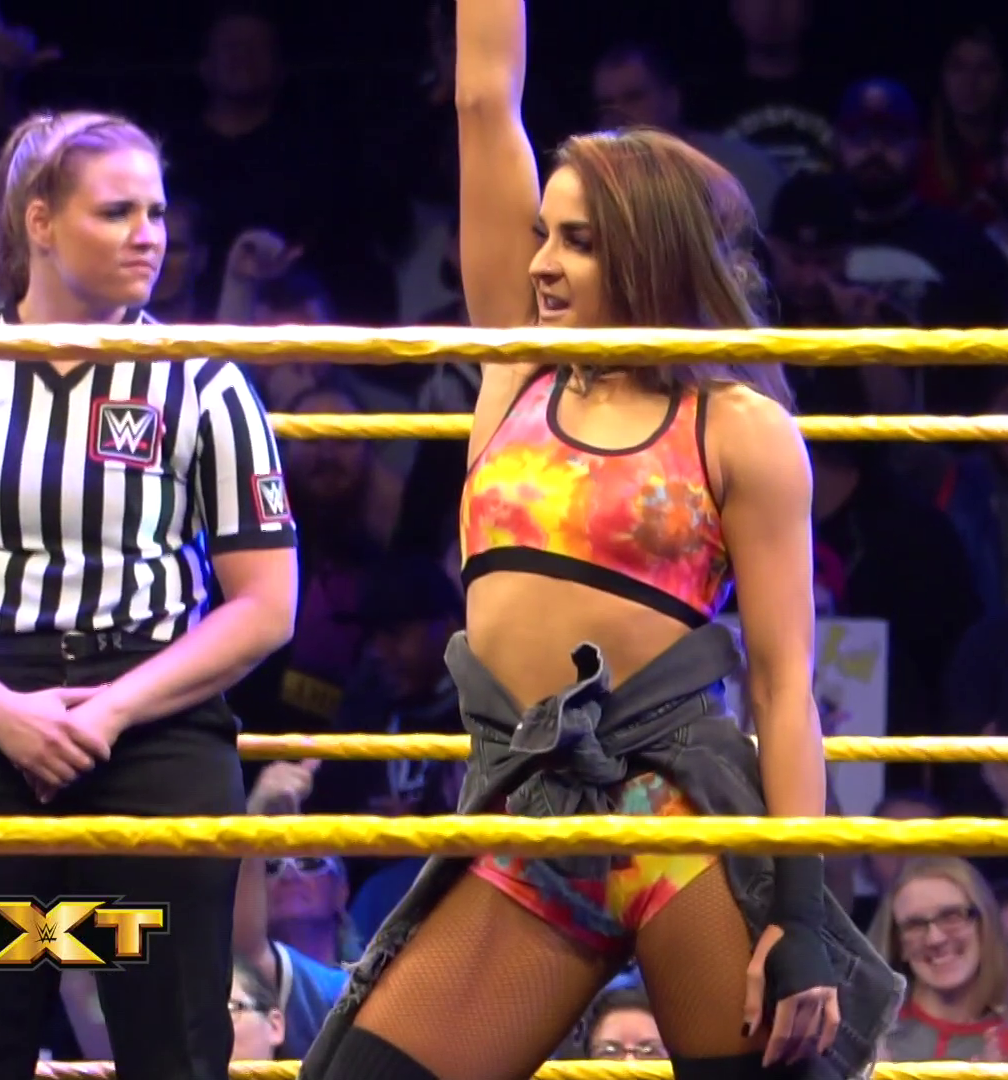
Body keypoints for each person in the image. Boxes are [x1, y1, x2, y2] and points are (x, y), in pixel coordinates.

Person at [297, 6, 900, 1080]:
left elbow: (783, 689)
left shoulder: (739, 427)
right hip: (530, 811)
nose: (542, 262)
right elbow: (485, 101)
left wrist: (801, 915)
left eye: (577, 241)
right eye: (543, 233)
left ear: (649, 252)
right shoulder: (515, 373)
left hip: (679, 814)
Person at [0, 110, 299, 1080]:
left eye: (156, 213)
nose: (149, 236)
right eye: (116, 212)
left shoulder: (203, 384)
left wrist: (113, 711)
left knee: (171, 1042)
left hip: (153, 736)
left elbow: (266, 603)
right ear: (40, 222)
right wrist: (1, 712)